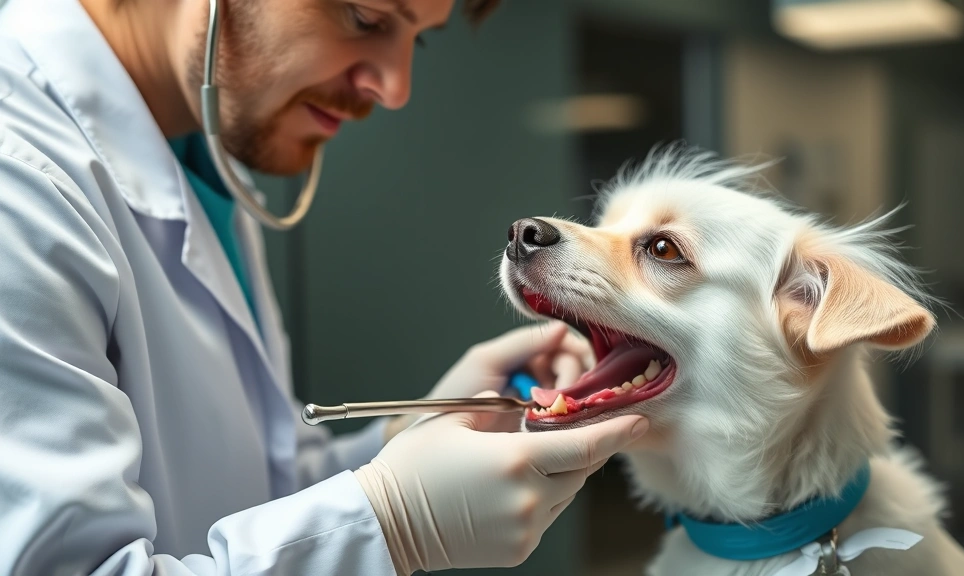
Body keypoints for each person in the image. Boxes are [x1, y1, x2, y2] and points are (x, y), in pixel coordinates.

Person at [0, 0, 651, 575]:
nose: (394, 88)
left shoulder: (205, 167)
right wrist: (395, 524)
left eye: (416, 38)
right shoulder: (17, 177)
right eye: (365, 17)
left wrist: (401, 440)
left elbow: (248, 491)